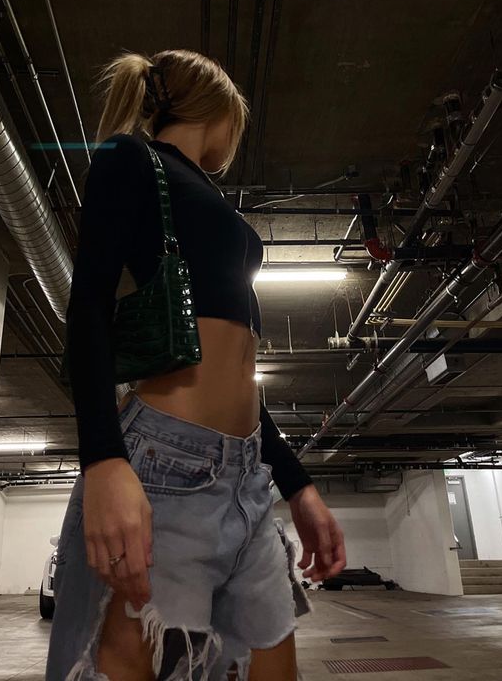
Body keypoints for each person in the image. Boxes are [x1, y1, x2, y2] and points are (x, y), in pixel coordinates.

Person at [45, 50, 346, 681]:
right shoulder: (132, 159)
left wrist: (298, 485)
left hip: (247, 479)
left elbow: (234, 370)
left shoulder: (205, 192)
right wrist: (102, 460)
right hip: (163, 467)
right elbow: (89, 307)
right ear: (221, 109)